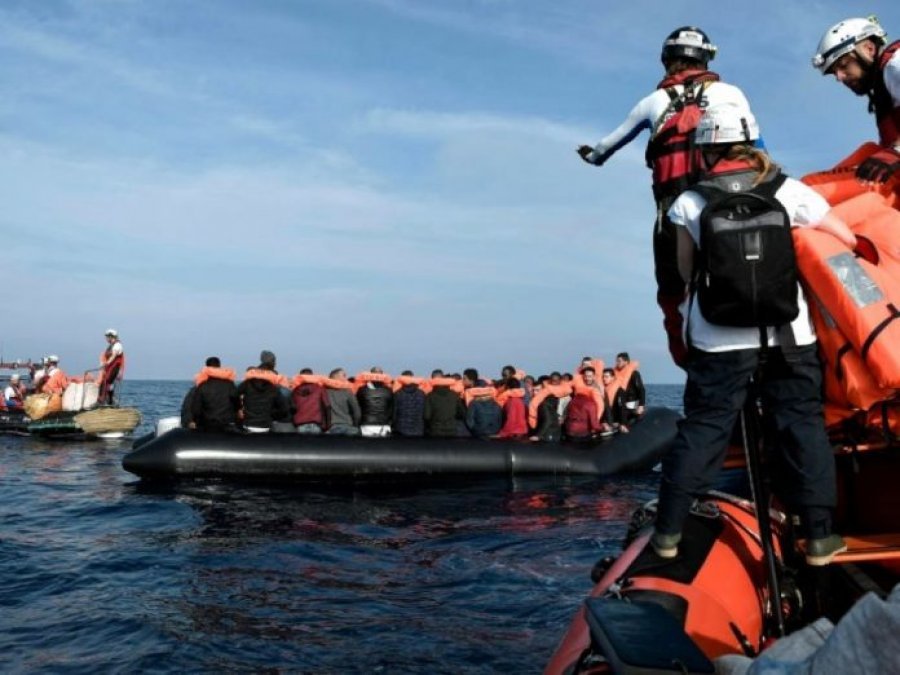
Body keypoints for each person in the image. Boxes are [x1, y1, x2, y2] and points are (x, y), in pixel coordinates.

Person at [650, 101, 857, 566]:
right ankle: (820, 537)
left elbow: (684, 271)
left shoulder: (689, 202)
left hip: (717, 337)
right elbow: (843, 238)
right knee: (801, 424)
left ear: (705, 149)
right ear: (750, 140)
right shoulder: (790, 191)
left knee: (704, 427)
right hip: (788, 333)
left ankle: (667, 533)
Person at [578, 27, 755, 366]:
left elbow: (605, 148)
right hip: (730, 206)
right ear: (706, 59)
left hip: (674, 213)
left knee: (674, 293)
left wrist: (591, 155)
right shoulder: (731, 93)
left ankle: (691, 359)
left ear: (666, 60)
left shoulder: (652, 102)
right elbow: (757, 147)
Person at [812, 17, 900, 184]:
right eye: (834, 72)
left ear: (869, 49)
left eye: (844, 65)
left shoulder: (895, 64)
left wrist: (895, 152)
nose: (839, 77)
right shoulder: (884, 87)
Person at [238, 350, 290, 432]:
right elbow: (284, 409)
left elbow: (233, 395)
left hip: (248, 424)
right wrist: (272, 416)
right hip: (266, 425)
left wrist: (239, 409)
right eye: (274, 361)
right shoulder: (274, 387)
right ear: (272, 363)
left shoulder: (247, 383)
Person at [189, 357, 239, 431]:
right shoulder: (230, 385)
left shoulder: (202, 386)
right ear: (219, 367)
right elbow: (237, 403)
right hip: (227, 424)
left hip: (207, 424)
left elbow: (196, 409)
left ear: (206, 368)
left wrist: (194, 421)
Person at [425, 371, 467, 437]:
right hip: (452, 430)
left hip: (435, 430)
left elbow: (427, 416)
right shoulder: (454, 395)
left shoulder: (430, 396)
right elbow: (462, 413)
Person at [291, 368, 331, 434]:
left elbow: (292, 407)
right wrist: (328, 425)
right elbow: (327, 406)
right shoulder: (319, 388)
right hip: (315, 424)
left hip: (300, 425)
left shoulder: (295, 390)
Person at [324, 368, 361, 435]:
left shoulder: (325, 392)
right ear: (335, 377)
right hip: (348, 427)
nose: (346, 378)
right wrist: (355, 425)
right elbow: (356, 412)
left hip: (332, 428)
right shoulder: (348, 392)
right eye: (344, 375)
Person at [614, 352, 646, 425]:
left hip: (631, 403)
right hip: (620, 404)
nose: (617, 363)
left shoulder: (634, 373)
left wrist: (641, 405)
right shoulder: (616, 374)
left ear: (626, 362)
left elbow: (641, 389)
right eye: (616, 361)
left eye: (619, 361)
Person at [393, 370, 426, 437]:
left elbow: (394, 413)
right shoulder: (421, 393)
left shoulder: (397, 394)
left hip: (401, 430)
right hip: (418, 429)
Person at [99, 328, 125, 404]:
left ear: (111, 336)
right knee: (107, 382)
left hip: (114, 367)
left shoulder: (117, 345)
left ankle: (105, 400)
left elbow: (113, 356)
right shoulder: (110, 346)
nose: (106, 338)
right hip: (109, 367)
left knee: (107, 381)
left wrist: (107, 363)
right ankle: (107, 400)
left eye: (107, 337)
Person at [600, 368, 629, 432]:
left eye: (606, 377)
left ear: (612, 378)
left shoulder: (619, 391)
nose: (604, 379)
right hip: (605, 419)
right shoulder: (601, 390)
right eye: (603, 377)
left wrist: (623, 423)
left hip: (615, 419)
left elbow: (622, 407)